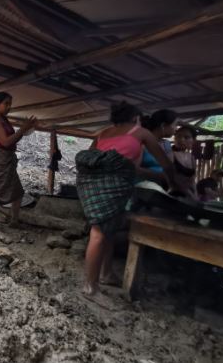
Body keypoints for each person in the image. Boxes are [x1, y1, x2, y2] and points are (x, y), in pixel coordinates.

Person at [76, 101, 181, 298]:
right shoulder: (141, 133)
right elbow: (166, 164)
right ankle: (90, 286)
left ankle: (106, 274)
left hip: (92, 186)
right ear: (135, 118)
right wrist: (173, 184)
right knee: (98, 232)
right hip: (113, 186)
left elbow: (90, 159)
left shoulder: (103, 133)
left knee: (110, 229)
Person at [0, 92, 37, 230]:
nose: (9, 107)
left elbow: (13, 140)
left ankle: (14, 220)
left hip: (7, 160)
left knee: (18, 192)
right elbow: (6, 142)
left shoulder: (4, 120)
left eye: (10, 104)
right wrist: (22, 129)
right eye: (6, 104)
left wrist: (24, 131)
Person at [139, 109, 177, 187]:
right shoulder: (141, 144)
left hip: (164, 186)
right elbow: (134, 169)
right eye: (175, 124)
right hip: (145, 188)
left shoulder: (167, 144)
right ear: (163, 126)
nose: (176, 128)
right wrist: (159, 175)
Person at [172, 126, 198, 199]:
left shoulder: (191, 157)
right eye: (178, 136)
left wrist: (196, 196)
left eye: (186, 137)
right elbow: (173, 179)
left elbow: (192, 180)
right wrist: (191, 195)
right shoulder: (169, 154)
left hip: (188, 197)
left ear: (194, 140)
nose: (181, 140)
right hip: (172, 196)